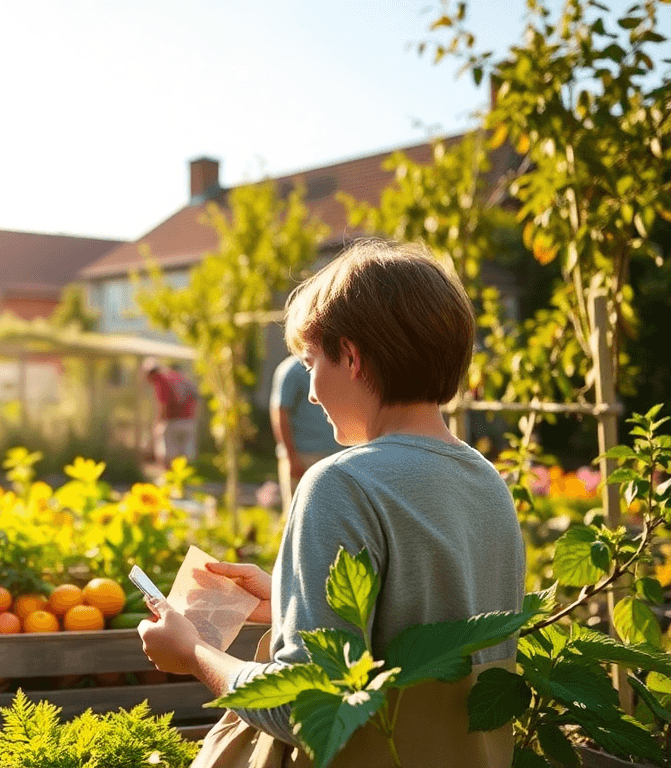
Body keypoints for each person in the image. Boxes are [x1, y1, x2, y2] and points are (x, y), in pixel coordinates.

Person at [138, 240, 525, 767]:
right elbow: (432, 631)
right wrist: (288, 600)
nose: (312, 391)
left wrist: (194, 654)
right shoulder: (487, 482)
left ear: (352, 355)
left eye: (310, 360)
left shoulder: (339, 484)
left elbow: (308, 707)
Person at [270, 353, 343, 511]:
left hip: (333, 454)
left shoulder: (330, 365)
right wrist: (291, 457)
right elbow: (280, 412)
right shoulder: (291, 370)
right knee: (299, 514)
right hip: (303, 457)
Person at [144, 360, 199, 464]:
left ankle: (168, 479)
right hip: (189, 421)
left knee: (167, 458)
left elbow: (163, 405)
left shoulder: (161, 380)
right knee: (186, 458)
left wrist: (158, 424)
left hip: (172, 422)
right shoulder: (179, 377)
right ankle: (185, 479)